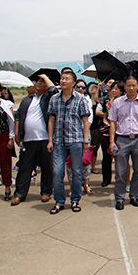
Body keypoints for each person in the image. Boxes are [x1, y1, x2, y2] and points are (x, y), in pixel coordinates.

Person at [47, 71, 91, 214]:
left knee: (77, 171)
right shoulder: (54, 99)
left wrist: (86, 140)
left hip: (76, 140)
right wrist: (50, 140)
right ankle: (59, 201)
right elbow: (51, 120)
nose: (63, 81)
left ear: (73, 83)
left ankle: (75, 200)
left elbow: (85, 121)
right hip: (59, 141)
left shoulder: (80, 99)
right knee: (57, 171)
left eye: (67, 79)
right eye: (62, 78)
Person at [11, 74, 57, 205]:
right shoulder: (27, 100)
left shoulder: (49, 98)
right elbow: (18, 116)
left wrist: (46, 78)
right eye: (38, 81)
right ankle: (19, 193)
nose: (38, 83)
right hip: (29, 139)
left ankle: (46, 192)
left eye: (42, 82)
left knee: (47, 167)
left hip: (45, 138)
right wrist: (17, 133)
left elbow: (54, 90)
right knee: (25, 167)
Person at [108, 76, 138, 210]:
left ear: (137, 86)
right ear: (125, 87)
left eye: (134, 85)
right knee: (121, 171)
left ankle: (134, 196)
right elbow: (112, 123)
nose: (131, 88)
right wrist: (112, 142)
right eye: (129, 86)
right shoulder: (117, 103)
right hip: (122, 139)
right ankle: (120, 198)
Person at [97, 80, 123, 187]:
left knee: (120, 157)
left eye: (116, 89)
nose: (113, 90)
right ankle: (106, 179)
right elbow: (101, 112)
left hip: (120, 132)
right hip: (107, 131)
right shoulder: (106, 101)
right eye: (112, 88)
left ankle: (120, 178)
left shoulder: (124, 102)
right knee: (106, 156)